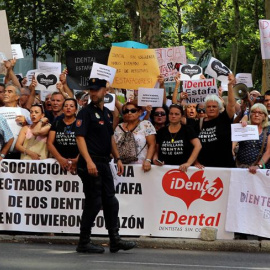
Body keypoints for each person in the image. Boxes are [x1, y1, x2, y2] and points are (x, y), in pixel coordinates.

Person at [75, 78, 136, 254]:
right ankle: (84, 241)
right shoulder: (85, 113)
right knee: (94, 203)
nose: (93, 93)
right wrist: (88, 161)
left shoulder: (107, 114)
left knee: (111, 201)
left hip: (104, 162)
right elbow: (80, 138)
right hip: (91, 162)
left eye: (97, 90)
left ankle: (114, 240)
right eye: (91, 90)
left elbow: (110, 138)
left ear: (104, 91)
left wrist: (117, 158)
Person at [195, 73, 236, 168]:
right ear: (205, 108)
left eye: (214, 106)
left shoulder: (224, 119)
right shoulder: (198, 123)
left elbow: (231, 105)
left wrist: (230, 85)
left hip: (224, 167)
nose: (211, 108)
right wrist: (195, 162)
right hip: (204, 168)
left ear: (219, 108)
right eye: (208, 107)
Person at [153, 104, 201, 171]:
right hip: (164, 169)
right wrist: (155, 159)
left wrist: (188, 163)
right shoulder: (161, 131)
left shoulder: (187, 129)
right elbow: (156, 150)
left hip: (184, 169)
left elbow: (198, 146)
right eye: (171, 114)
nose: (173, 116)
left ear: (182, 116)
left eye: (177, 114)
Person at [114, 101, 156, 171]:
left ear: (139, 112)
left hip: (141, 166)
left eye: (133, 111)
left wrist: (148, 160)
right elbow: (114, 145)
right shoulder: (119, 127)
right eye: (126, 111)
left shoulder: (146, 125)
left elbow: (152, 144)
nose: (129, 113)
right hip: (121, 165)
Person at [235, 103, 270, 173]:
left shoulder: (268, 130)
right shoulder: (243, 127)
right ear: (250, 115)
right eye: (254, 112)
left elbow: (268, 151)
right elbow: (233, 143)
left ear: (264, 116)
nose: (256, 115)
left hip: (260, 171)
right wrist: (240, 125)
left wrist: (258, 166)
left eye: (260, 113)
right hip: (241, 168)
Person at [47, 98, 79, 174]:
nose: (68, 108)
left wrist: (78, 159)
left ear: (76, 109)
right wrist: (60, 158)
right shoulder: (56, 123)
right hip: (57, 162)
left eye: (71, 106)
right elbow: (49, 143)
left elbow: (86, 143)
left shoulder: (80, 123)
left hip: (77, 163)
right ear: (62, 109)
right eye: (66, 106)